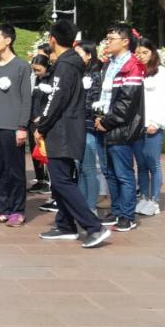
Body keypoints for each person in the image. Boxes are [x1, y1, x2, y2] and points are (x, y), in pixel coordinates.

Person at [35, 20, 112, 248]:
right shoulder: (71, 63)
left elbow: (55, 100)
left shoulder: (65, 66)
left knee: (61, 181)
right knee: (61, 180)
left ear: (52, 40)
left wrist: (41, 125)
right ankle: (65, 225)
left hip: (62, 130)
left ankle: (94, 227)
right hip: (67, 129)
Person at [95, 23, 145, 232]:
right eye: (106, 39)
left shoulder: (133, 66)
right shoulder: (109, 63)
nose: (107, 42)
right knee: (109, 172)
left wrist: (106, 122)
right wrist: (98, 117)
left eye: (111, 39)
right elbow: (102, 94)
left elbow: (127, 103)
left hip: (120, 127)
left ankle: (127, 215)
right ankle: (116, 211)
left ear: (125, 41)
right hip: (103, 124)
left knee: (123, 174)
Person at [0, 24, 32, 227]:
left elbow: (26, 99)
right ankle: (0, 208)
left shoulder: (22, 66)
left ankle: (17, 210)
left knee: (15, 171)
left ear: (8, 40)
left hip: (13, 126)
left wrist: (22, 126)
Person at [134, 37, 165, 217]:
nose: (141, 56)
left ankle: (154, 200)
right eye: (138, 53)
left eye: (145, 52)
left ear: (153, 53)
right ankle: (143, 197)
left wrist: (156, 122)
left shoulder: (161, 73)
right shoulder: (135, 72)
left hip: (153, 125)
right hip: (137, 125)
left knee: (153, 163)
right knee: (141, 164)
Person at [73, 40, 105, 213]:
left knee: (89, 168)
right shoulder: (77, 72)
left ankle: (91, 206)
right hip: (76, 126)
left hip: (87, 126)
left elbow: (92, 103)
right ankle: (82, 205)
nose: (75, 56)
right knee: (80, 168)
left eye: (79, 53)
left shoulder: (95, 76)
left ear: (89, 55)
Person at [27, 55, 52, 195]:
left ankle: (49, 181)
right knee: (35, 151)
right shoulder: (35, 79)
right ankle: (40, 179)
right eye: (34, 70)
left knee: (45, 152)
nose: (36, 73)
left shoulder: (51, 79)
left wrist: (42, 117)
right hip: (33, 120)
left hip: (44, 121)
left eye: (38, 70)